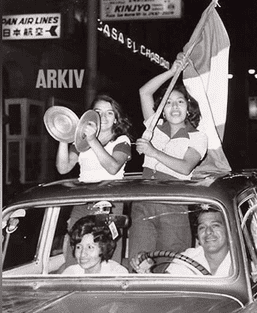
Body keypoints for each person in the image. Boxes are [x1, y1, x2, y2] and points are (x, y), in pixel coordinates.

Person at [127, 59, 209, 268]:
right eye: (169, 102)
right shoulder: (153, 125)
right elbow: (144, 92)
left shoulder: (198, 136)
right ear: (162, 110)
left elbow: (185, 167)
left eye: (180, 102)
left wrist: (152, 152)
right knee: (139, 264)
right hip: (143, 201)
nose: (174, 107)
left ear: (188, 108)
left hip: (173, 204)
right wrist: (172, 71)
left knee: (171, 266)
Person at [130, 207, 231, 276]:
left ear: (229, 230)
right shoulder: (187, 259)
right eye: (202, 227)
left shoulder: (242, 261)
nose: (208, 232)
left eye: (215, 225)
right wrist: (146, 272)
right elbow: (166, 291)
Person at [55, 94, 132, 183]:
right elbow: (63, 169)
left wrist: (92, 140)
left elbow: (113, 168)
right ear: (91, 116)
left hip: (111, 192)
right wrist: (63, 137)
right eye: (98, 112)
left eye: (109, 113)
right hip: (86, 193)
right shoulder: (81, 140)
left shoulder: (121, 140)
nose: (103, 117)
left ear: (115, 119)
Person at [62, 215, 128, 275]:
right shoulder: (70, 274)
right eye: (78, 247)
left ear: (103, 248)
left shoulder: (117, 274)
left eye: (90, 247)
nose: (82, 254)